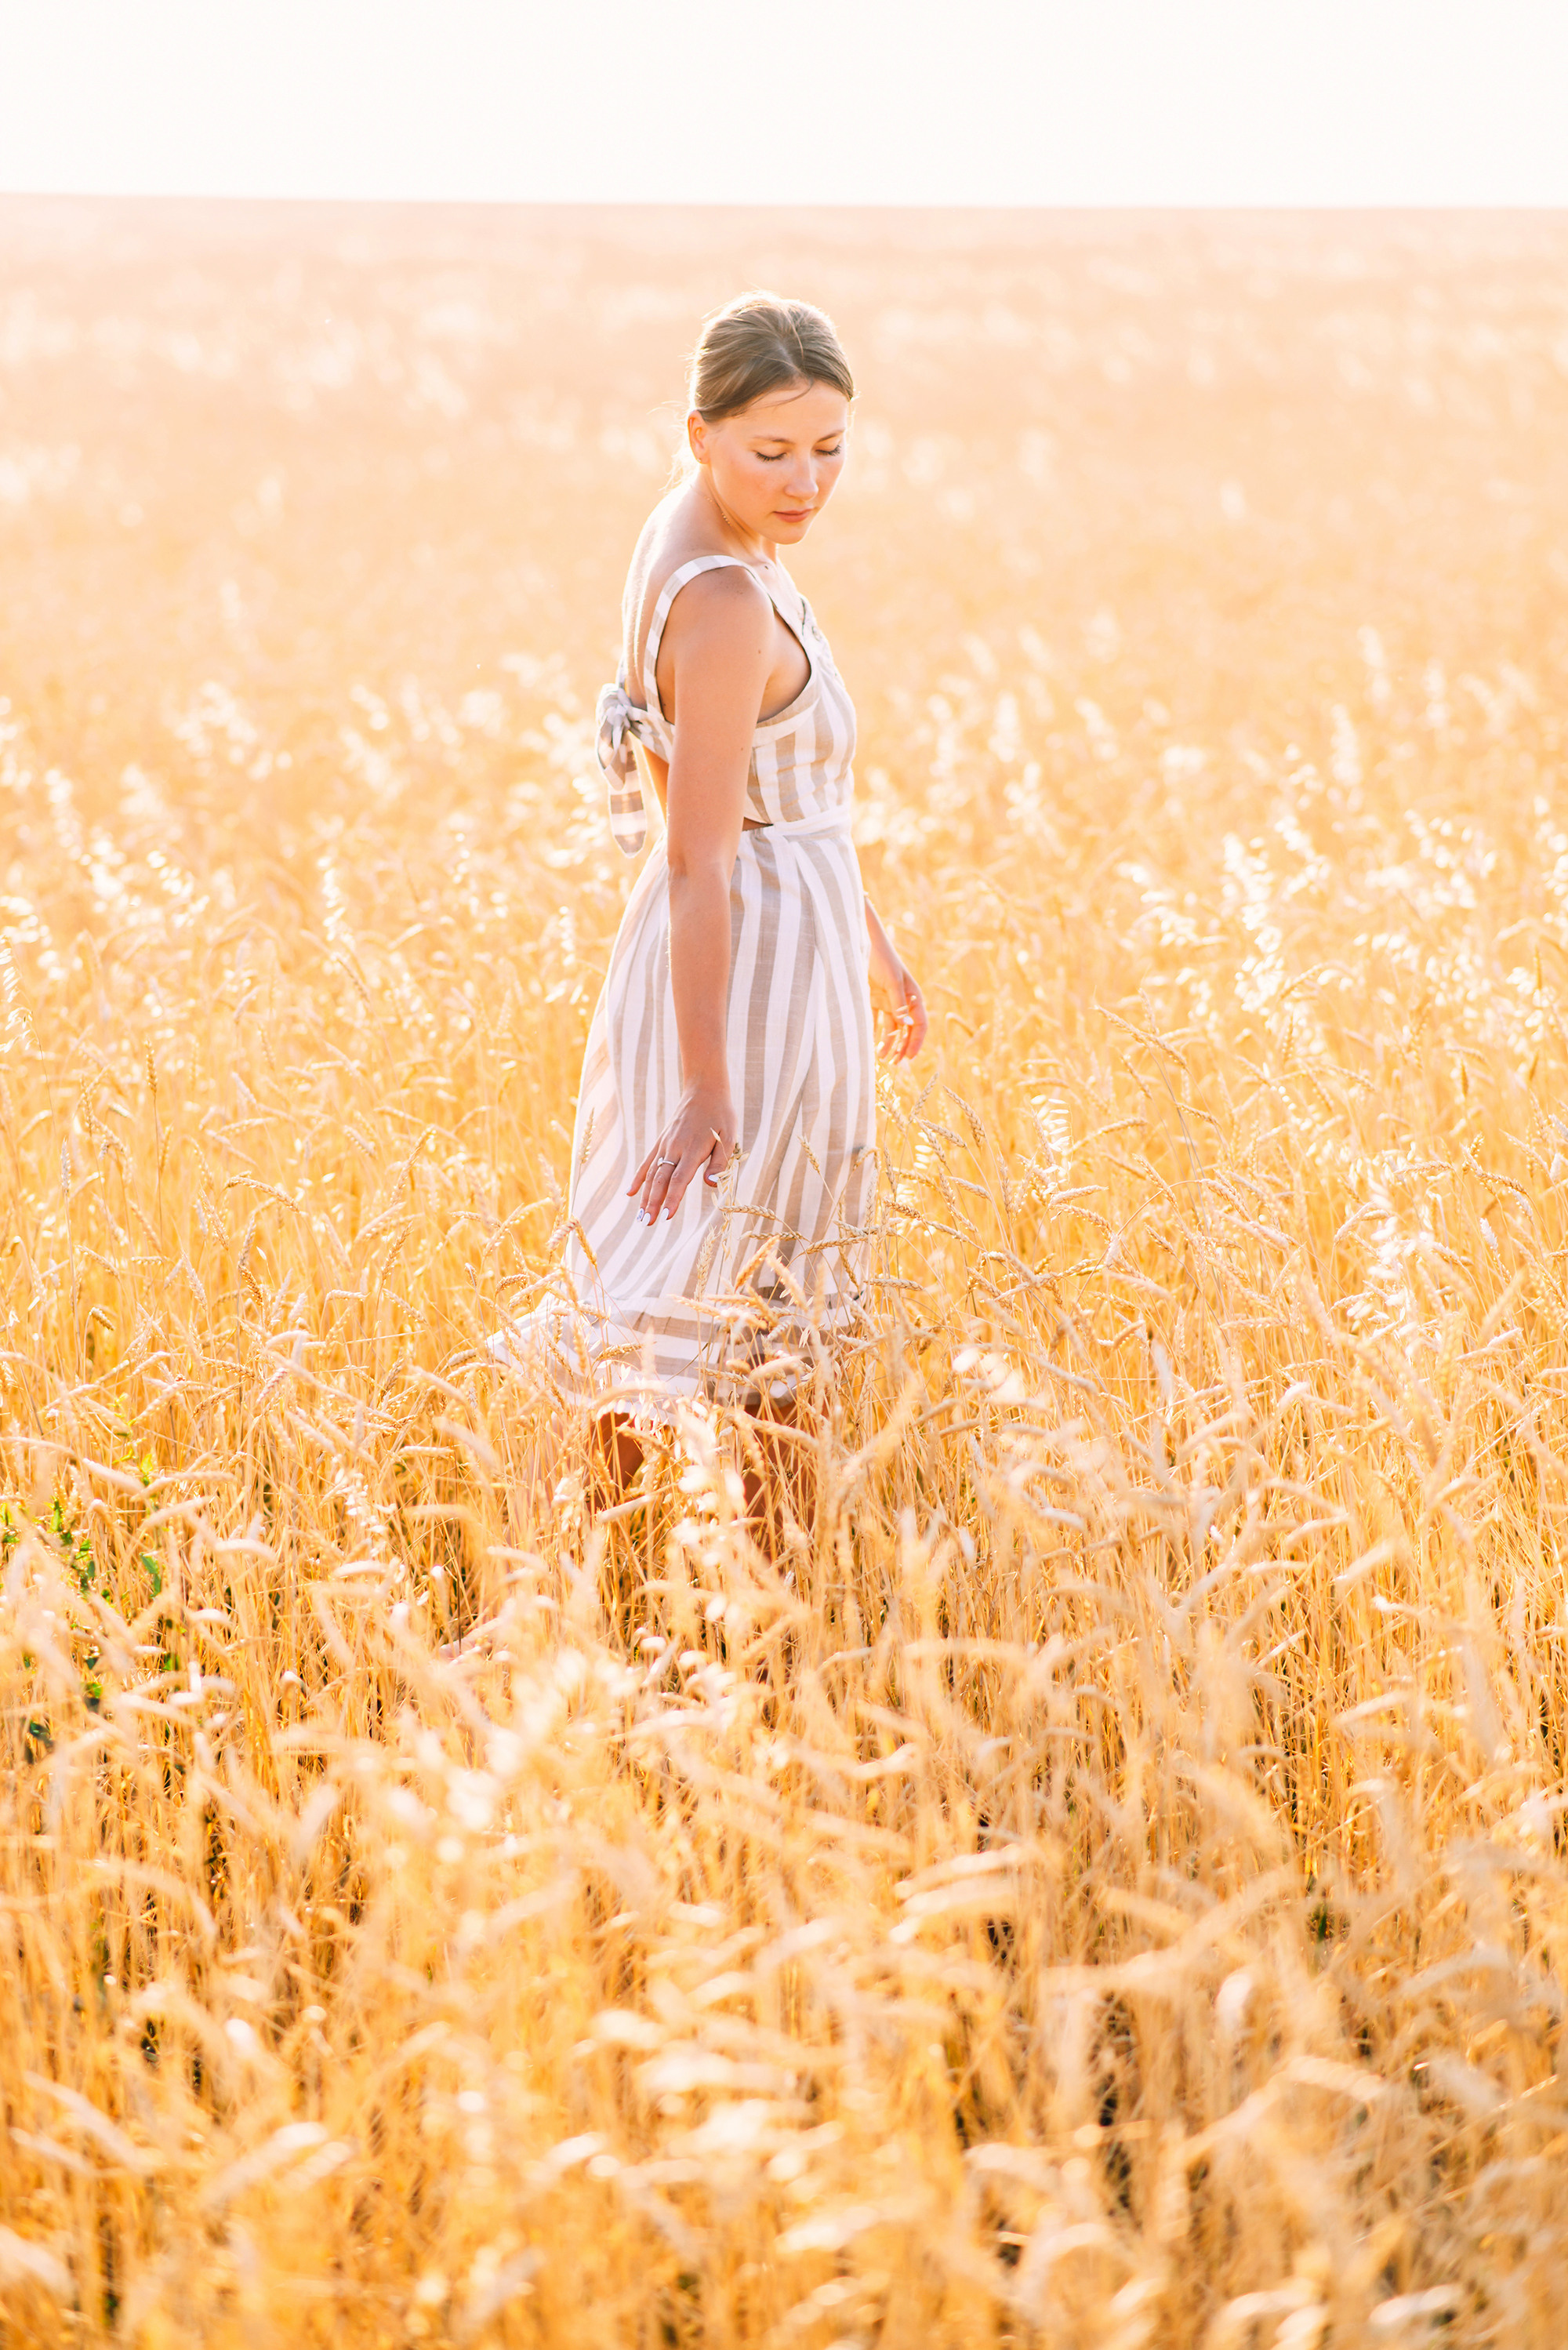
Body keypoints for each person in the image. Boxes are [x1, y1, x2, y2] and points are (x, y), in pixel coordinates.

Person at [492, 291, 927, 1464]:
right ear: (700, 433)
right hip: (752, 978)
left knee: (683, 1293)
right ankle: (756, 1617)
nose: (807, 483)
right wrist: (706, 1082)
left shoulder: (691, 531)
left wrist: (871, 937)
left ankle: (638, 1604)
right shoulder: (729, 599)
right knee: (756, 1322)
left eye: (831, 449)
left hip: (768, 942)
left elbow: (758, 795)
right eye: (772, 451)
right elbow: (699, 855)